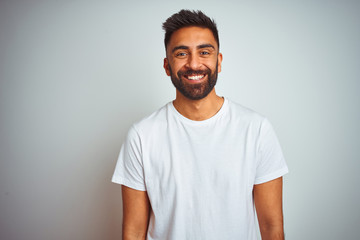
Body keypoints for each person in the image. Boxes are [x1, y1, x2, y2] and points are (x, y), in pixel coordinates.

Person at [112, 9, 288, 240]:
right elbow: (134, 232)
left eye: (204, 52)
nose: (194, 64)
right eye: (181, 54)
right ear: (167, 66)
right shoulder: (142, 135)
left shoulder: (256, 129)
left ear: (219, 61)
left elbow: (271, 226)